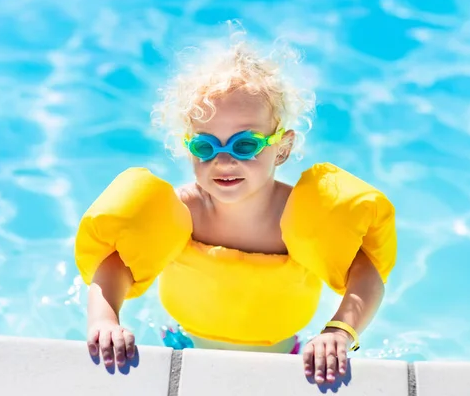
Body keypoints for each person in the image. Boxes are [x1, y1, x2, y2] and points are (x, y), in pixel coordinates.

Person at [74, 27, 397, 385]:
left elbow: (366, 275)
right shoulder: (183, 212)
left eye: (245, 146)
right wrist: (105, 321)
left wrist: (339, 332)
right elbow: (116, 266)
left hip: (285, 357)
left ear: (283, 148)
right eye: (205, 147)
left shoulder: (302, 215)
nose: (224, 162)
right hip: (183, 346)